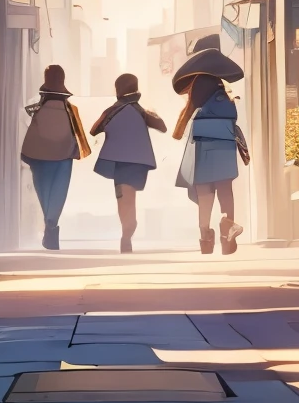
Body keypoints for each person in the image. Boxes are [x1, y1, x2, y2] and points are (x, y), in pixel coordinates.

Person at [172, 37, 249, 255]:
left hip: (203, 142)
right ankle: (227, 227)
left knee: (204, 190)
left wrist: (178, 133)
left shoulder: (198, 83)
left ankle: (205, 236)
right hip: (225, 141)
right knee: (225, 187)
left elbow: (189, 109)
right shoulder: (223, 86)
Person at [90, 73, 166, 254]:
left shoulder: (111, 111)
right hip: (138, 163)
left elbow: (94, 130)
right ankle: (128, 232)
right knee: (129, 199)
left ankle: (127, 231)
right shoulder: (141, 111)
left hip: (120, 165)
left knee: (125, 200)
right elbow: (162, 126)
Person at [20, 63, 89, 250]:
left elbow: (27, 125)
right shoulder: (70, 109)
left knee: (44, 191)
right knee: (58, 192)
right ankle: (51, 226)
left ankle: (50, 226)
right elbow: (77, 133)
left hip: (39, 154)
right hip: (63, 155)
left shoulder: (35, 105)